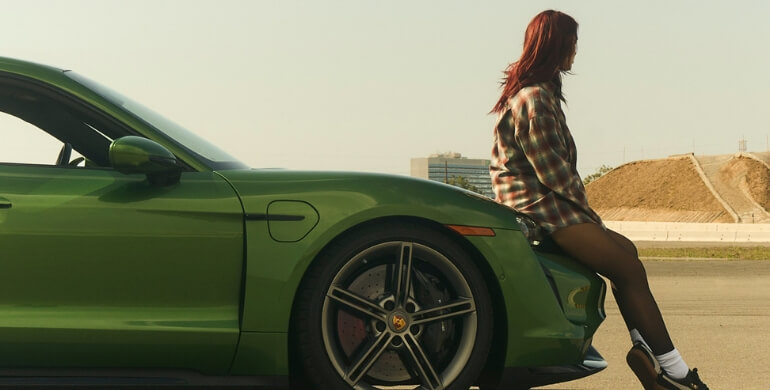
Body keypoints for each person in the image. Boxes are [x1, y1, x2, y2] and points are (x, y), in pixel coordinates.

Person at [489, 10, 708, 390]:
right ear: (556, 45)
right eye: (573, 42)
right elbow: (554, 175)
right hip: (541, 212)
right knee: (629, 269)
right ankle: (675, 372)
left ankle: (648, 356)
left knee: (628, 253)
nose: (576, 50)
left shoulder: (541, 95)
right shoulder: (534, 99)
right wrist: (592, 219)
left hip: (549, 207)